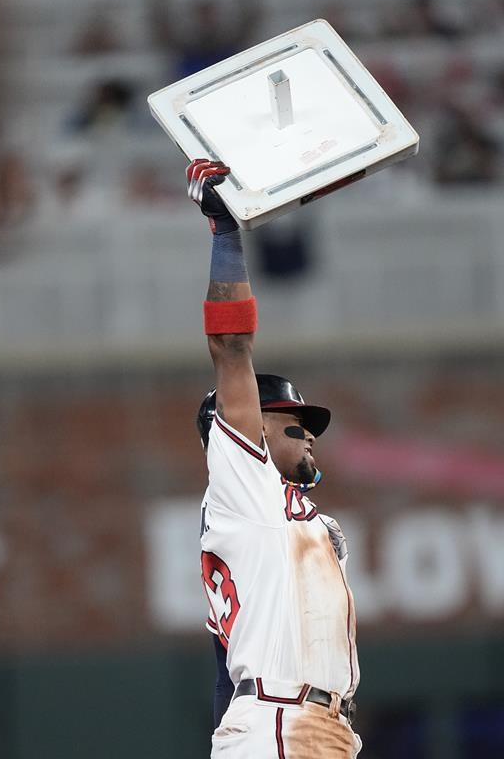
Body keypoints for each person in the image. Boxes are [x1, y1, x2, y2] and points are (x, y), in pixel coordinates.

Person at [188, 159, 362, 758]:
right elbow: (231, 346)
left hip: (300, 723)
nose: (308, 433)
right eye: (293, 423)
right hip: (283, 720)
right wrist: (226, 235)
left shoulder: (280, 515)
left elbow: (220, 674)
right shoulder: (245, 486)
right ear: (248, 431)